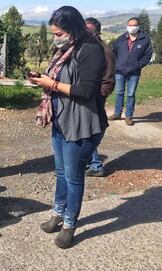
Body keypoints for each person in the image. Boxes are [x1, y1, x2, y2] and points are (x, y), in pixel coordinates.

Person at [29, 6, 106, 249]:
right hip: (62, 120)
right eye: (53, 34)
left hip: (82, 124)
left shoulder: (91, 50)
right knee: (61, 173)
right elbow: (60, 79)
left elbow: (85, 90)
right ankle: (58, 213)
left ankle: (70, 224)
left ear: (72, 29)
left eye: (58, 33)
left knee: (73, 177)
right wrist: (42, 78)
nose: (55, 38)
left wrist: (50, 83)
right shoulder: (66, 50)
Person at [84, 17, 116, 177]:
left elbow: (109, 80)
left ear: (97, 31)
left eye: (88, 29)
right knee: (86, 129)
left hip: (95, 97)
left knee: (93, 129)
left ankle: (96, 165)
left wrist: (99, 96)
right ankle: (92, 163)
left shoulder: (105, 51)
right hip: (85, 95)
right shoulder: (86, 47)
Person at [108, 17, 153, 126]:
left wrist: (138, 65)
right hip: (119, 70)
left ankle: (129, 116)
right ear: (127, 26)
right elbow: (112, 52)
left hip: (134, 72)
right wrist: (116, 64)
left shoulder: (144, 39)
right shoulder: (121, 38)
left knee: (131, 94)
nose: (132, 27)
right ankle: (117, 113)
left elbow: (148, 55)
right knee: (119, 92)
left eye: (134, 25)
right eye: (130, 25)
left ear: (138, 26)